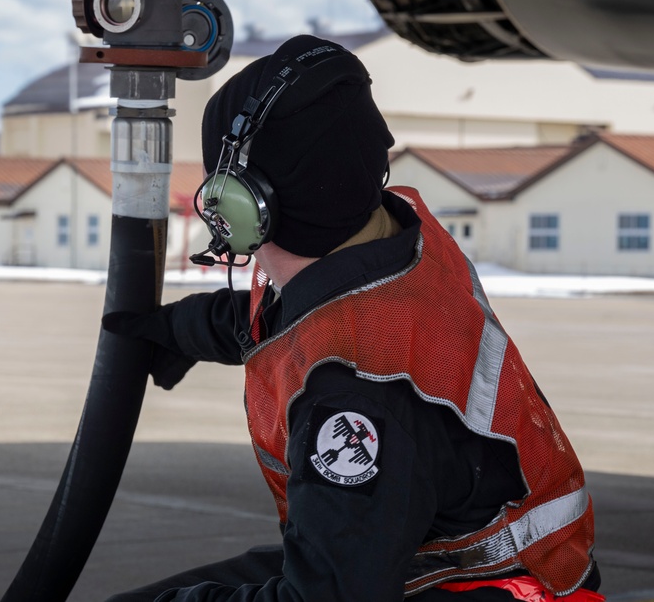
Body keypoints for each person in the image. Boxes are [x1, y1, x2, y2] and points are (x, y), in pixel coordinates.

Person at [103, 35, 603, 602]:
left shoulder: (353, 395)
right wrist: (173, 331)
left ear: (249, 211)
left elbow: (325, 598)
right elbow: (281, 320)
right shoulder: (399, 237)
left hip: (486, 588)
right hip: (443, 556)